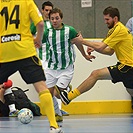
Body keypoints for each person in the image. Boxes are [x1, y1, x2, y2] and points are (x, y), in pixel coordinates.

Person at [0, 1, 63, 133]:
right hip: (25, 50)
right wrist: (38, 39)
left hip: (4, 51)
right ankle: (54, 126)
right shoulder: (26, 2)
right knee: (42, 88)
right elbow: (40, 23)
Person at [57, 6, 133, 110]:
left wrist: (82, 41)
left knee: (95, 74)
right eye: (104, 19)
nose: (105, 22)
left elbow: (101, 46)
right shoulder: (118, 29)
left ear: (115, 18)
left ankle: (69, 97)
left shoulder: (118, 29)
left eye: (107, 19)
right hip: (128, 67)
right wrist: (94, 48)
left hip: (128, 66)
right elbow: (110, 51)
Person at [43, 7, 94, 118]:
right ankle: (57, 114)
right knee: (48, 95)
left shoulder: (69, 30)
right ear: (50, 20)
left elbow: (78, 42)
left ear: (61, 19)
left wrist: (85, 55)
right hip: (51, 67)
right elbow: (37, 42)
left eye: (57, 18)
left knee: (57, 94)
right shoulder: (47, 32)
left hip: (66, 68)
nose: (54, 21)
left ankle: (65, 89)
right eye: (52, 19)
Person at [30, 1, 71, 122]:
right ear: (42, 11)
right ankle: (57, 110)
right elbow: (29, 37)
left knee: (51, 88)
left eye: (50, 10)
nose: (48, 13)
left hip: (52, 60)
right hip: (41, 59)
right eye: (46, 10)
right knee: (47, 88)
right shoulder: (37, 24)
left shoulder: (55, 25)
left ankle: (59, 106)